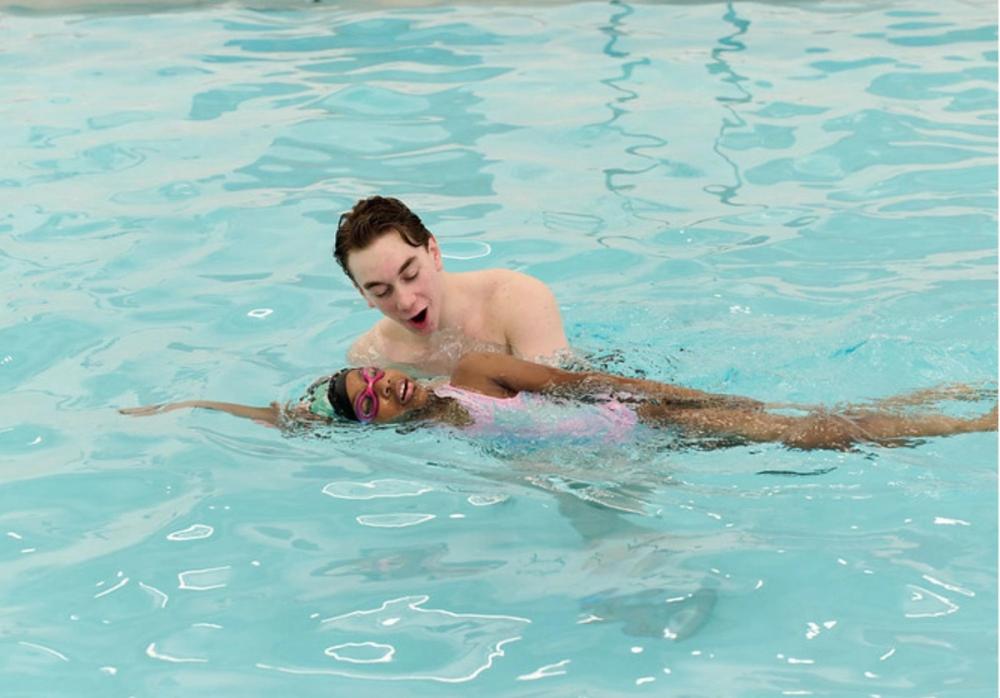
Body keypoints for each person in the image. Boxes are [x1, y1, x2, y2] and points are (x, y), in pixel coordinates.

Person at [120, 353, 998, 452]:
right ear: (372, 424)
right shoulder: (436, 430)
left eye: (373, 375)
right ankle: (955, 397)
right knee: (823, 429)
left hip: (658, 420)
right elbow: (291, 420)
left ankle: (976, 420)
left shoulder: (475, 373)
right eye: (369, 399)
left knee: (818, 436)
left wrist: (708, 400)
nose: (382, 385)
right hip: (648, 446)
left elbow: (585, 385)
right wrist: (192, 405)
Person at [334, 196, 568, 375]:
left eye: (411, 275)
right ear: (364, 295)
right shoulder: (371, 356)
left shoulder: (517, 300)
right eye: (381, 292)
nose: (405, 301)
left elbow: (557, 403)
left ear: (434, 253)